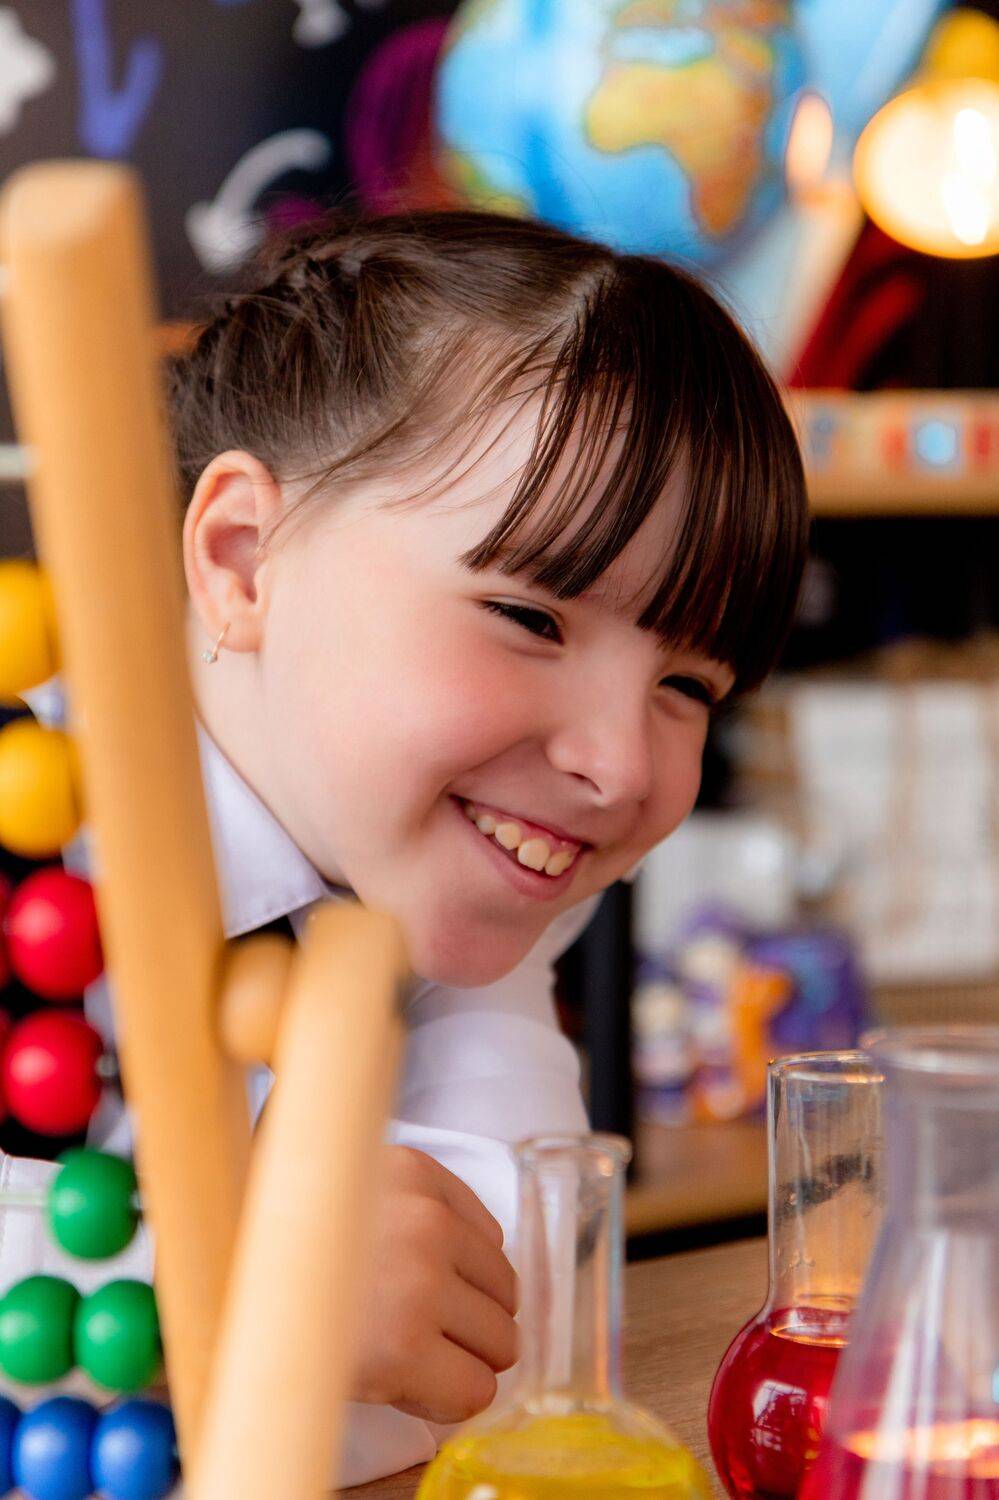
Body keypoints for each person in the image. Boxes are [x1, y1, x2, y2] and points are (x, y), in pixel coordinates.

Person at [9, 209, 807, 1484]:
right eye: (529, 617)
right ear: (243, 559)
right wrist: (216, 1294)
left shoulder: (465, 878)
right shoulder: (30, 829)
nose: (620, 765)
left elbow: (498, 1314)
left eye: (689, 687)